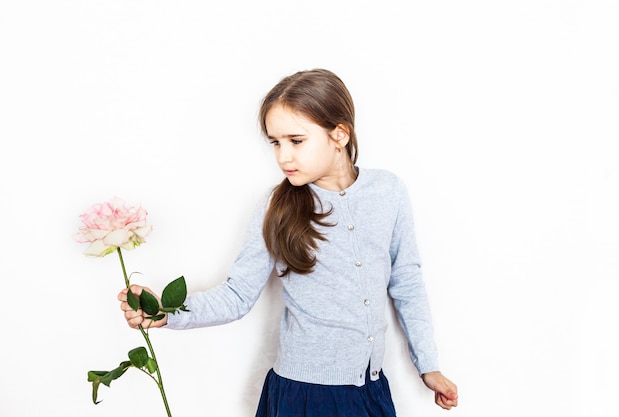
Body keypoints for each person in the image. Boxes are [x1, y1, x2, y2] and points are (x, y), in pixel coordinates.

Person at [119, 68, 458, 416]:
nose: (283, 157)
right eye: (275, 143)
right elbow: (237, 295)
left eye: (296, 141)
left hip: (371, 392)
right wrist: (168, 312)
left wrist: (428, 364)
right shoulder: (277, 206)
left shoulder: (388, 192)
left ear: (339, 134)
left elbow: (407, 283)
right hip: (304, 397)